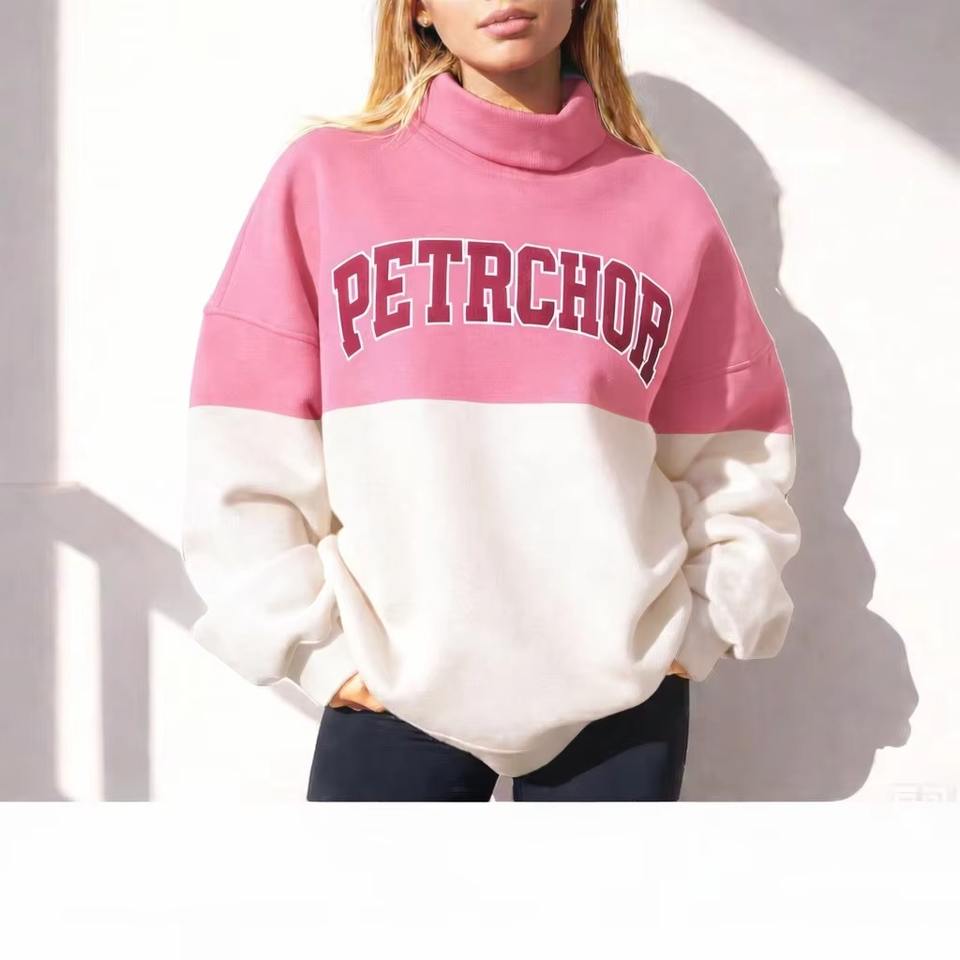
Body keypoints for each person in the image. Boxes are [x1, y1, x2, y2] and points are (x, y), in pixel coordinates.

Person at [180, 0, 801, 801]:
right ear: (418, 9)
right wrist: (315, 649)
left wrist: (707, 624)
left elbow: (736, 448)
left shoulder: (666, 205)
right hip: (392, 681)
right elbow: (246, 442)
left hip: (621, 690)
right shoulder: (327, 181)